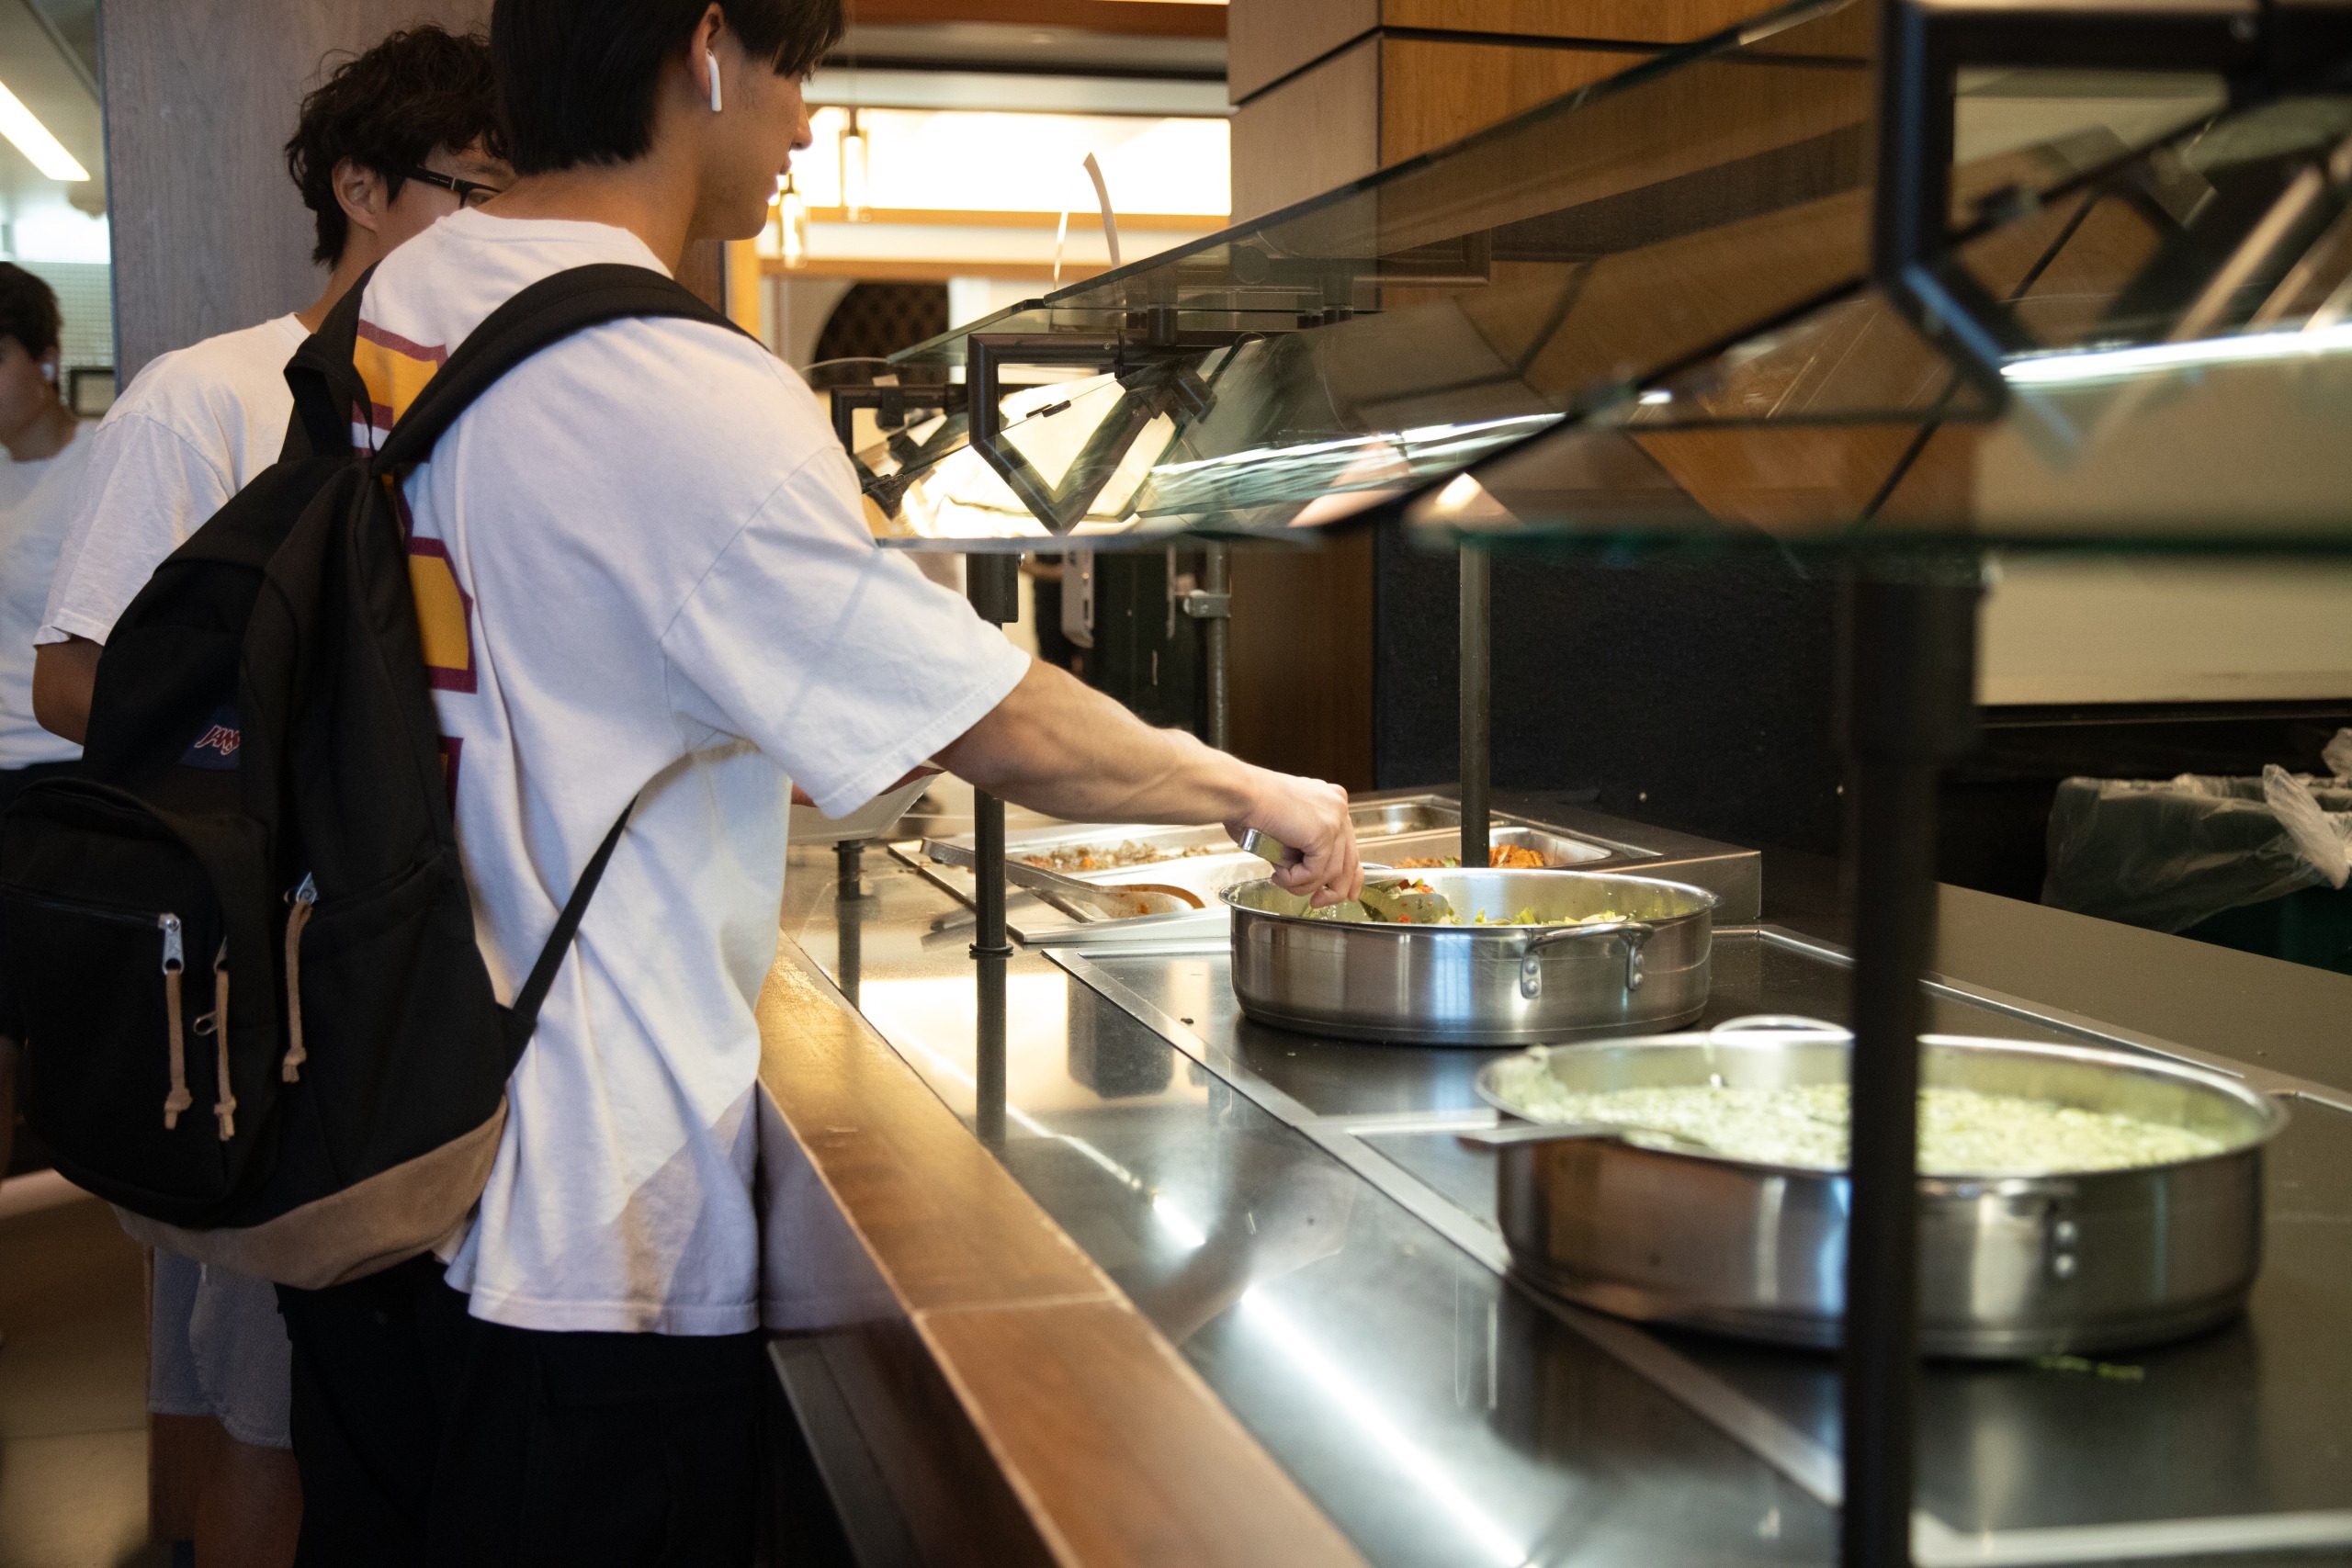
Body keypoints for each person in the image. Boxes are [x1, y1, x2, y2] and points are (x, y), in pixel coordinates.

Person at [257, 0, 1363, 1562]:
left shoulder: (404, 298)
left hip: (373, 1155)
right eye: (800, 76)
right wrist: (1253, 789)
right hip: (578, 1215)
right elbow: (990, 719)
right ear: (708, 49)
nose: (798, 127)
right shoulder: (671, 384)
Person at [26, 28, 508, 1567]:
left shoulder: (475, 410)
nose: (496, 233)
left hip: (408, 972)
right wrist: (304, 762)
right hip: (258, 982)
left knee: (305, 1387)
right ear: (362, 188)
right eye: (470, 193)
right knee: (245, 1382)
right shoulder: (211, 396)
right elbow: (73, 679)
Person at [0, 263, 90, 1298]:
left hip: (73, 773)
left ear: (44, 357)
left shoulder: (105, 460)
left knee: (73, 1029)